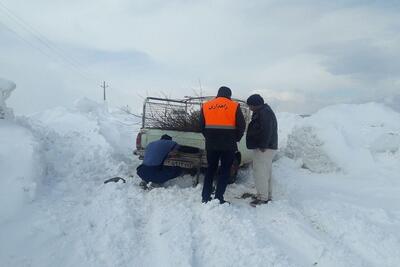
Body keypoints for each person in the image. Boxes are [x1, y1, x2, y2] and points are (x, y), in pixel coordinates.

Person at [200, 86, 246, 204]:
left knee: (211, 169)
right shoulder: (234, 106)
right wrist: (236, 138)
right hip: (228, 144)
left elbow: (201, 126)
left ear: (218, 94)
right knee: (225, 170)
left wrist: (209, 137)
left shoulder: (206, 106)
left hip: (211, 144)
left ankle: (205, 196)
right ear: (229, 95)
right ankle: (219, 197)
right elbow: (241, 125)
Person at [246, 94, 278, 207]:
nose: (250, 108)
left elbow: (267, 130)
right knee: (265, 172)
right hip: (267, 146)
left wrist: (263, 145)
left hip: (264, 148)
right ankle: (266, 196)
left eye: (250, 106)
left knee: (260, 172)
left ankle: (262, 198)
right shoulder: (264, 111)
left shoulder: (264, 113)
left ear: (256, 104)